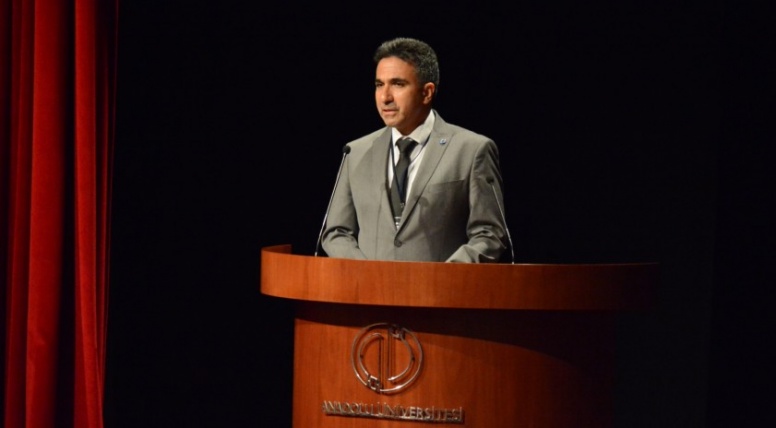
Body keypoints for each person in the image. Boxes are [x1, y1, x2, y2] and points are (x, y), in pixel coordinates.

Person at [321, 37, 509, 263]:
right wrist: (366, 274)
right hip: (368, 286)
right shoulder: (355, 152)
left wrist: (442, 276)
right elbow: (336, 232)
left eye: (398, 84)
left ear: (427, 92)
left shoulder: (471, 150)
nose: (385, 97)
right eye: (379, 85)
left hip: (440, 285)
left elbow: (489, 234)